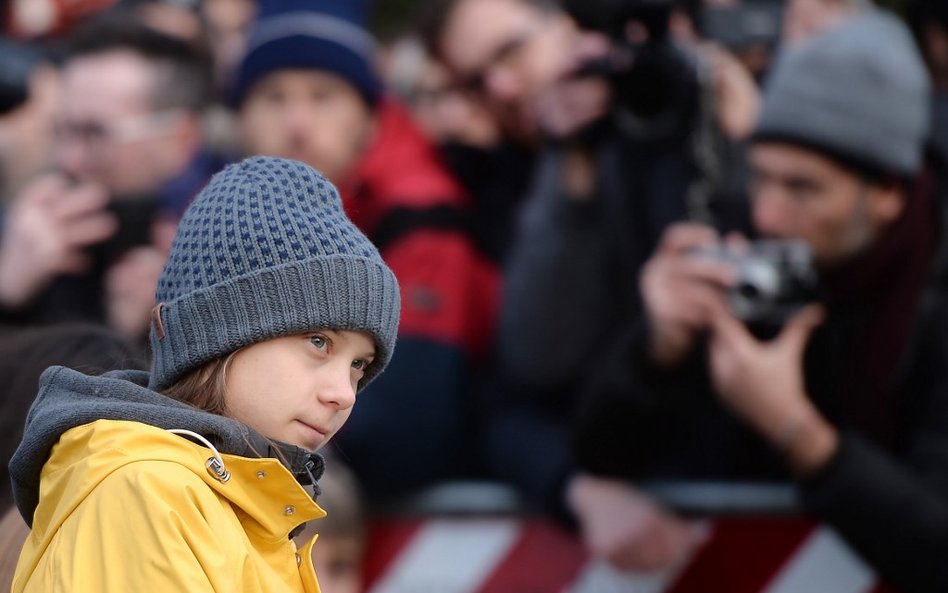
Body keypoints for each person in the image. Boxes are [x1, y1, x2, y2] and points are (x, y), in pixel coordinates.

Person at [571, 10, 948, 592]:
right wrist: (654, 350)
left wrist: (797, 433)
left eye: (803, 187)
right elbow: (600, 449)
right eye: (761, 177)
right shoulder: (742, 246)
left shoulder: (932, 293)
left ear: (888, 193)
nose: (769, 213)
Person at [7, 156, 401, 592]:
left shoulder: (241, 507)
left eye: (358, 365)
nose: (344, 394)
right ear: (223, 329)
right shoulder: (147, 492)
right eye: (318, 341)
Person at [230, 0, 500, 501]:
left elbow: (407, 428)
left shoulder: (421, 217)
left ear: (369, 116)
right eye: (271, 97)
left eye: (324, 97)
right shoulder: (222, 220)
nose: (297, 123)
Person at [0, 13, 222, 340]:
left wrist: (168, 331)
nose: (69, 158)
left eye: (95, 134)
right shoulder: (28, 227)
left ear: (181, 137)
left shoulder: (228, 244)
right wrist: (9, 291)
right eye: (62, 131)